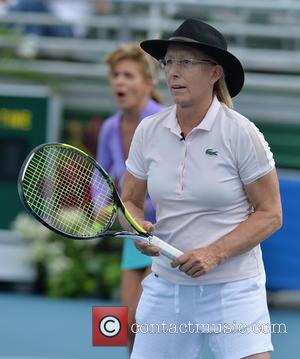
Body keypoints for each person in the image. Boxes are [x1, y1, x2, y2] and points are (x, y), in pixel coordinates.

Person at [122, 19, 282, 359]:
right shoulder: (148, 131)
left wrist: (215, 253)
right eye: (169, 62)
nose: (173, 72)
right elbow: (130, 201)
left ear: (215, 73)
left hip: (234, 290)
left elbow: (270, 215)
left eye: (186, 62)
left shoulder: (241, 133)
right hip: (166, 288)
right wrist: (136, 227)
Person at [96, 43, 164, 353]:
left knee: (147, 318)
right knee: (127, 324)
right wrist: (101, 206)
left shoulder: (165, 122)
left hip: (165, 232)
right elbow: (102, 178)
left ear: (148, 84)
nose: (119, 81)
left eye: (128, 75)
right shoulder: (110, 128)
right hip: (131, 232)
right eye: (115, 75)